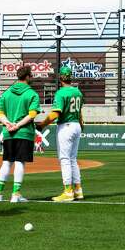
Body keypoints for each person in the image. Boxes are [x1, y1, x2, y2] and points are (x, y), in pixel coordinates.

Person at [36, 65, 85, 202]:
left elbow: (55, 113)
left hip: (66, 126)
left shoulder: (60, 93)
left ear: (60, 78)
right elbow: (79, 111)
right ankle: (78, 190)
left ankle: (68, 192)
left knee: (64, 160)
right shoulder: (78, 92)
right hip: (76, 125)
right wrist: (81, 124)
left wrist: (42, 125)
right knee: (73, 159)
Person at [0, 65, 40, 203]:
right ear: (27, 77)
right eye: (31, 75)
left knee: (7, 162)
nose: (31, 77)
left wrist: (8, 124)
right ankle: (15, 195)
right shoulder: (32, 94)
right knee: (20, 162)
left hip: (8, 133)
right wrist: (18, 125)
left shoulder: (7, 93)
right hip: (24, 133)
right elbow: (32, 115)